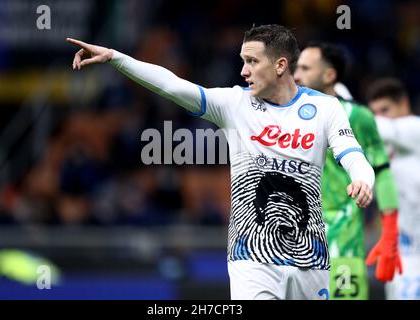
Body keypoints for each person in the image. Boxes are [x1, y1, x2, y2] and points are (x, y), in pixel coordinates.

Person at [67, 24, 375, 300]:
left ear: (281, 65)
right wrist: (116, 57)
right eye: (243, 61)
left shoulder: (324, 108)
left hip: (311, 258)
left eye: (252, 61)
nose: (243, 71)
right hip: (251, 257)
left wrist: (362, 179)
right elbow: (172, 85)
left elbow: (351, 151)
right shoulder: (234, 104)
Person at [294, 42, 402, 300]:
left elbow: (383, 172)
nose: (296, 75)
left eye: (305, 69)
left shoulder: (358, 116)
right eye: (296, 67)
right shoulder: (288, 116)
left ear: (329, 75)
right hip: (297, 241)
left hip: (343, 241)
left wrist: (389, 233)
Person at [367, 78, 420, 300]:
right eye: (375, 112)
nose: (381, 117)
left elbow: (380, 128)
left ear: (404, 104)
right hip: (402, 248)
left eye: (385, 110)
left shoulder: (414, 128)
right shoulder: (382, 147)